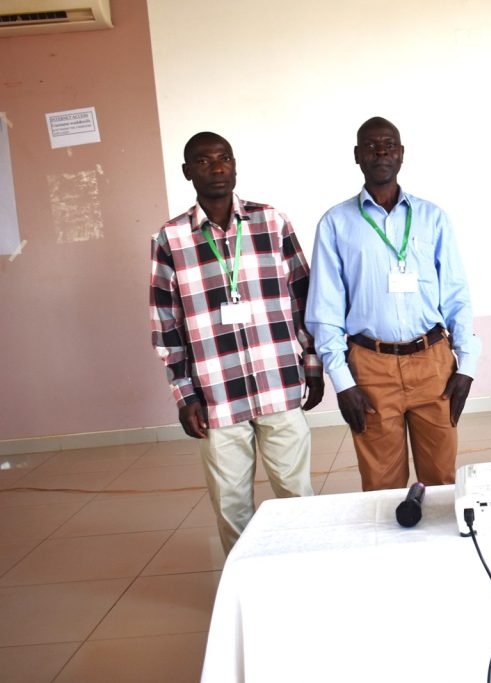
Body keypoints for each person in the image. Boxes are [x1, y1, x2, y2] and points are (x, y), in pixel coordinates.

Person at [150, 132, 324, 554]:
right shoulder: (170, 239)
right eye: (204, 161)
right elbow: (165, 324)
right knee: (231, 506)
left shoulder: (271, 221)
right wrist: (183, 394)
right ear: (188, 172)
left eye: (224, 158)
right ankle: (244, 590)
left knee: (297, 493)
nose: (217, 167)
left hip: (278, 381)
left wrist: (313, 364)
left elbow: (305, 296)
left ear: (234, 164)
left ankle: (307, 574)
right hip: (216, 395)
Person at [305, 117, 480, 491]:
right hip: (370, 368)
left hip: (432, 363)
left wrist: (467, 366)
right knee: (381, 489)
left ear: (401, 155)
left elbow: (456, 296)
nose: (380, 152)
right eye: (371, 146)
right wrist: (342, 381)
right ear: (357, 156)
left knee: (442, 483)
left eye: (388, 145)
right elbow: (325, 310)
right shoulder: (335, 224)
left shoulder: (433, 218)